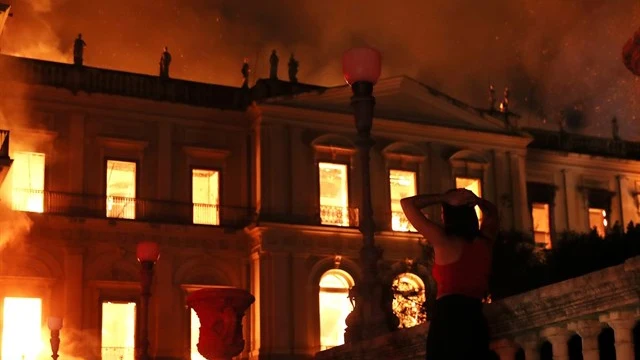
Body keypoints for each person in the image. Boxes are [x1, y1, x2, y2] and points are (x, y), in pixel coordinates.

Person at [400, 188, 499, 360]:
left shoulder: (443, 241)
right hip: (475, 318)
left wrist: (443, 197)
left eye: (442, 212)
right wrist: (478, 201)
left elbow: (407, 204)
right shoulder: (486, 241)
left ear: (448, 215)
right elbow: (493, 212)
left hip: (448, 318)